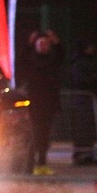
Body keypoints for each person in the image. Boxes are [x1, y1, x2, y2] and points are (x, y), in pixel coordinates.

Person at [21, 30, 65, 175]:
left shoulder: (52, 60)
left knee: (45, 134)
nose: (43, 46)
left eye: (46, 43)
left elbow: (61, 56)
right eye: (40, 43)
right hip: (35, 103)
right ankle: (32, 165)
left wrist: (56, 42)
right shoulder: (31, 60)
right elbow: (22, 59)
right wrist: (28, 44)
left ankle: (41, 163)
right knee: (36, 134)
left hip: (49, 103)